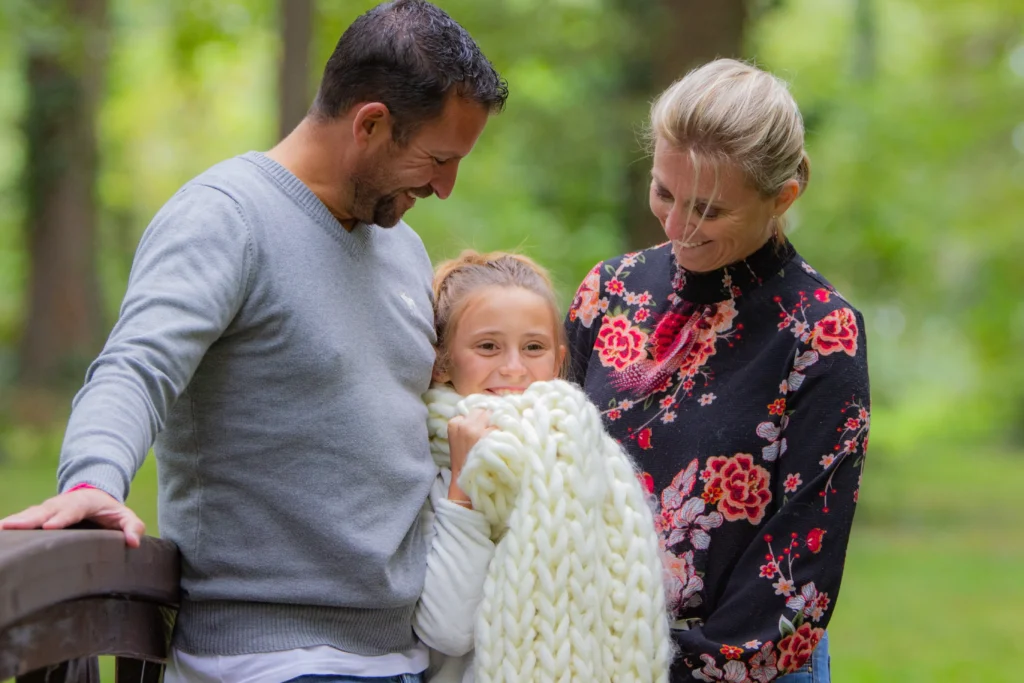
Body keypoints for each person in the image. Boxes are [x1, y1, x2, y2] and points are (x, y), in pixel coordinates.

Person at [0, 2, 507, 682]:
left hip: (406, 652)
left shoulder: (404, 248)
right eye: (438, 159)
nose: (445, 187)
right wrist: (93, 475)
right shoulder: (227, 217)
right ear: (372, 124)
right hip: (274, 657)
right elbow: (136, 367)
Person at [565, 59, 870, 683]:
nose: (676, 227)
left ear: (783, 196)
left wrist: (653, 664)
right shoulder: (609, 289)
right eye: (663, 192)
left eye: (708, 210)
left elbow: (796, 575)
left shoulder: (821, 331)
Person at [412, 251, 671, 683]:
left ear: (557, 361)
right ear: (441, 363)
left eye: (533, 347)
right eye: (488, 346)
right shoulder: (426, 461)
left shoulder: (591, 461)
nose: (514, 368)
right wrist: (464, 484)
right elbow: (447, 632)